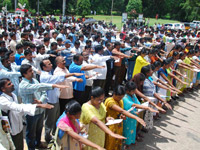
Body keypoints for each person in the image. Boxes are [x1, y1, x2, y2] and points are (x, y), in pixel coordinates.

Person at [19, 64, 68, 150]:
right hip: (31, 113)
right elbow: (38, 87)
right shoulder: (23, 85)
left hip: (40, 110)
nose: (32, 72)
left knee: (39, 129)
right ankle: (31, 148)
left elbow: (43, 92)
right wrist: (53, 85)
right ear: (24, 74)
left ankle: (38, 143)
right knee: (31, 132)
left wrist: (41, 100)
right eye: (30, 71)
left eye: (32, 70)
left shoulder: (34, 80)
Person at [0, 78, 54, 150]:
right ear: (3, 89)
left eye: (11, 83)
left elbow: (19, 110)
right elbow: (16, 107)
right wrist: (38, 105)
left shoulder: (13, 96)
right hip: (11, 130)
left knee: (20, 146)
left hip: (18, 127)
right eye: (9, 84)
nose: (12, 84)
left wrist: (31, 105)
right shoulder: (2, 100)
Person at [40, 58, 83, 143]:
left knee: (55, 118)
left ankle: (54, 134)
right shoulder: (45, 76)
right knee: (49, 121)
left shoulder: (49, 73)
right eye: (48, 64)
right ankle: (48, 138)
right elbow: (58, 78)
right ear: (44, 67)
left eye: (50, 63)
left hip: (55, 99)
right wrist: (73, 74)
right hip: (50, 100)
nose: (51, 65)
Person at [104, 85, 146, 150]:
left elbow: (120, 112)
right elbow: (121, 110)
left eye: (121, 97)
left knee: (118, 142)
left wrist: (121, 116)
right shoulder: (110, 101)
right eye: (118, 97)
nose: (120, 99)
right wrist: (136, 117)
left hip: (118, 124)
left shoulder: (120, 101)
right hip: (110, 126)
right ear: (114, 94)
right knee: (110, 143)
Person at [123, 81, 158, 148]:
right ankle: (126, 144)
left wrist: (140, 107)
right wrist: (146, 107)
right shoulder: (125, 97)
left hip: (135, 115)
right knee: (127, 131)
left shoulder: (133, 95)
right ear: (127, 91)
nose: (134, 92)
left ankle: (131, 141)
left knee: (133, 129)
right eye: (133, 91)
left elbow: (137, 102)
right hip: (128, 117)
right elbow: (132, 104)